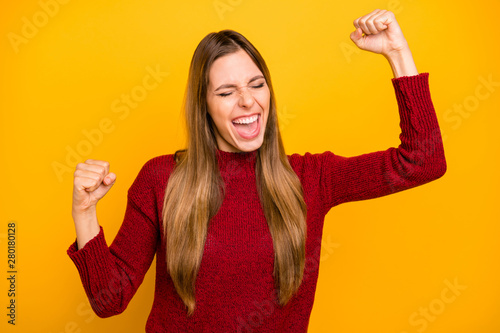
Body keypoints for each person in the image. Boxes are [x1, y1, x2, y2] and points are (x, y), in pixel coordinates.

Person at [67, 9, 446, 332]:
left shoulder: (311, 178)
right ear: (205, 106)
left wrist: (397, 52)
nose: (248, 100)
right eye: (227, 91)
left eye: (256, 84)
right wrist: (84, 213)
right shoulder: (162, 179)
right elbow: (109, 299)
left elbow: (422, 161)